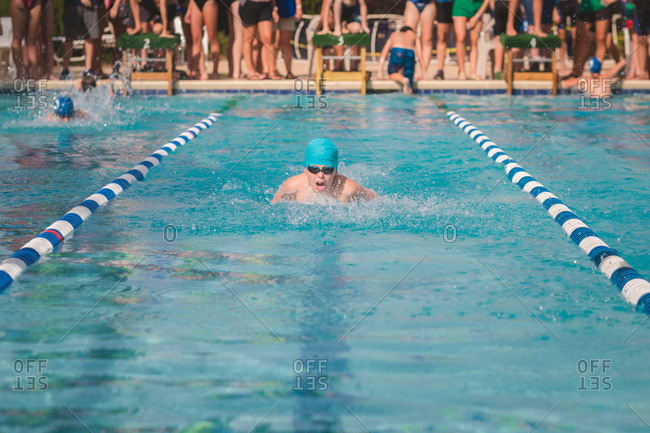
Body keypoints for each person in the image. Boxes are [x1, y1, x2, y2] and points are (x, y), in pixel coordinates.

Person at [271, 138, 378, 204]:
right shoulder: (292, 186)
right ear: (305, 170)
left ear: (336, 172)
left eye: (327, 170)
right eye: (314, 169)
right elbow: (273, 207)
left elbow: (376, 199)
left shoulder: (349, 189)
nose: (320, 175)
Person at [378, 26, 425, 94]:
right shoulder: (414, 35)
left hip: (397, 51)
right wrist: (424, 73)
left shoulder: (394, 34)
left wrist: (380, 73)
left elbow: (383, 54)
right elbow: (420, 55)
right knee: (410, 85)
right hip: (410, 52)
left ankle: (403, 80)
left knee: (391, 74)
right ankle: (408, 89)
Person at [452, 0, 490, 79]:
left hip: (477, 9)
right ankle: (462, 71)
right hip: (461, 7)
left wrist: (477, 16)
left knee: (474, 41)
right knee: (461, 38)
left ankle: (473, 72)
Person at [403, 0, 435, 79]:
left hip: (429, 3)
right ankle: (407, 71)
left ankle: (423, 72)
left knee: (427, 39)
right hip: (412, 3)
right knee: (408, 38)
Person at [10, 0, 43, 80]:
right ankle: (20, 72)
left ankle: (34, 73)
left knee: (32, 40)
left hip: (36, 2)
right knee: (17, 40)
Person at [275, 0, 302, 78]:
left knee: (286, 43)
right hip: (271, 10)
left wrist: (298, 7)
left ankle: (289, 71)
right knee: (274, 42)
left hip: (288, 10)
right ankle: (272, 70)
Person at [433, 0, 454, 80]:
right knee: (442, 37)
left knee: (459, 38)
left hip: (457, 4)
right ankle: (440, 70)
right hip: (442, 4)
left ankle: (461, 71)